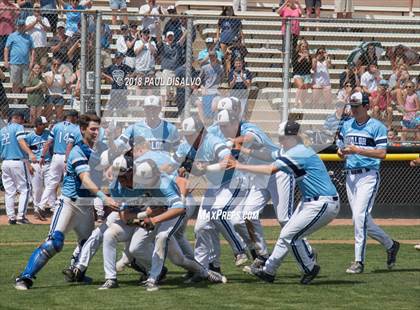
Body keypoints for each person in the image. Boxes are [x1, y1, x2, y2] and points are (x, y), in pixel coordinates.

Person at [14, 113, 119, 290]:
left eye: (98, 129)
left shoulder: (100, 149)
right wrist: (104, 198)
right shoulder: (78, 150)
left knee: (88, 244)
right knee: (55, 242)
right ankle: (25, 278)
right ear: (82, 129)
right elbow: (85, 178)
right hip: (69, 204)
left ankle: (75, 272)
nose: (96, 132)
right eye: (92, 129)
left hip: (86, 206)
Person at [228, 120, 340, 285]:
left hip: (323, 203)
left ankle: (309, 267)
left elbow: (270, 169)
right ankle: (269, 271)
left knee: (290, 236)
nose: (280, 140)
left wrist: (239, 165)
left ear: (293, 137)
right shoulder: (291, 150)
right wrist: (244, 149)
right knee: (286, 234)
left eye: (283, 137)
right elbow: (268, 155)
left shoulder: (298, 152)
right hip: (310, 202)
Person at [337, 92, 400, 274]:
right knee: (361, 219)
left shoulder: (376, 126)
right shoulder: (347, 125)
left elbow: (382, 153)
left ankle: (359, 261)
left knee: (359, 217)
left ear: (366, 106)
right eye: (352, 106)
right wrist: (342, 153)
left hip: (368, 175)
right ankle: (390, 244)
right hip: (351, 175)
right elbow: (340, 148)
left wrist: (358, 150)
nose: (354, 109)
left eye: (357, 106)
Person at [36, 110, 80, 217]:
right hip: (67, 157)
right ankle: (63, 206)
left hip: (55, 157)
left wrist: (42, 156)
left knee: (51, 183)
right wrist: (67, 160)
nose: (76, 119)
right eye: (76, 117)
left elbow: (48, 143)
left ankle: (41, 206)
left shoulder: (56, 126)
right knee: (68, 183)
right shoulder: (75, 128)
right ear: (73, 117)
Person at [0, 111, 36, 225]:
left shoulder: (2, 130)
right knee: (25, 189)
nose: (23, 121)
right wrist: (30, 153)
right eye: (22, 119)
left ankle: (11, 217)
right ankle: (21, 217)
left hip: (5, 162)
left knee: (9, 191)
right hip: (17, 161)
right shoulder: (18, 127)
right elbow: (21, 141)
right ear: (18, 118)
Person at [115, 95, 180, 154]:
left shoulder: (170, 129)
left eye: (154, 108)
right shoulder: (134, 128)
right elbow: (118, 144)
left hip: (163, 165)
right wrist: (110, 138)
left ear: (160, 109)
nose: (151, 111)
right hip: (140, 165)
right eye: (148, 108)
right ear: (144, 109)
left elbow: (179, 152)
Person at [25, 116, 52, 220]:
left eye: (45, 124)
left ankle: (41, 207)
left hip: (48, 163)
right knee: (37, 189)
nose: (45, 126)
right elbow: (25, 152)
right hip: (35, 164)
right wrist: (28, 164)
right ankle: (37, 209)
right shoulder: (30, 136)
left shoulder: (48, 134)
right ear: (37, 125)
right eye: (42, 124)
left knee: (50, 186)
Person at [4, 19, 35, 95]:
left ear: (24, 26)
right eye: (19, 25)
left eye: (22, 25)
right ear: (17, 26)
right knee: (15, 83)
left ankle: (23, 101)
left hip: (25, 63)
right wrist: (6, 60)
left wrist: (32, 61)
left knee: (25, 83)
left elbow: (33, 50)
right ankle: (16, 100)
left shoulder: (29, 37)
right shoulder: (12, 36)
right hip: (15, 62)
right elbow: (6, 48)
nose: (21, 27)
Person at [156, 29, 186, 104]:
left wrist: (187, 30)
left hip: (175, 72)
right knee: (165, 90)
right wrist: (158, 27)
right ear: (166, 38)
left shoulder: (176, 45)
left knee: (174, 92)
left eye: (171, 37)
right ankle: (163, 109)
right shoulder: (163, 46)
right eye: (168, 37)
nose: (170, 38)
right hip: (166, 71)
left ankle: (172, 109)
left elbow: (182, 39)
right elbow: (159, 40)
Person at [198, 51, 224, 123]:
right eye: (210, 56)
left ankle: (215, 122)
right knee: (205, 109)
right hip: (207, 90)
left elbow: (222, 79)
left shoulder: (220, 68)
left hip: (216, 90)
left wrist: (219, 86)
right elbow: (199, 80)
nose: (212, 58)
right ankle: (205, 123)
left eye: (213, 56)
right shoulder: (204, 68)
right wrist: (202, 87)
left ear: (216, 57)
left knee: (215, 106)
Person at [25, 3, 50, 69]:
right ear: (33, 9)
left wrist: (41, 22)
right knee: (33, 64)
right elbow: (26, 28)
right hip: (32, 46)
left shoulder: (44, 19)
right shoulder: (29, 18)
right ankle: (32, 78)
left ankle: (41, 77)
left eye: (38, 8)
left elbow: (48, 29)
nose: (37, 9)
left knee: (43, 64)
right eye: (35, 8)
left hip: (42, 46)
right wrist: (36, 21)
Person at [293, 39, 312, 108]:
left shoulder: (309, 55)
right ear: (300, 46)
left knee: (305, 90)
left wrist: (308, 58)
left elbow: (310, 67)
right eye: (303, 46)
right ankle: (296, 102)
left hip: (306, 74)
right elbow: (294, 65)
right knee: (301, 86)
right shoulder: (296, 54)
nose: (304, 48)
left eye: (306, 46)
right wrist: (301, 57)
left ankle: (302, 104)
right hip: (298, 73)